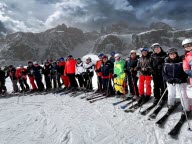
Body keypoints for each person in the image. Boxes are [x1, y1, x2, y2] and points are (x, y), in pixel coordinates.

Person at [162, 48, 190, 114]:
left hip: (181, 81)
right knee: (171, 94)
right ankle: (171, 105)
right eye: (171, 54)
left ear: (176, 54)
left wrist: (180, 79)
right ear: (168, 55)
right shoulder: (166, 62)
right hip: (171, 81)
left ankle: (186, 109)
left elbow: (185, 71)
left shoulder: (181, 61)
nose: (172, 55)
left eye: (174, 53)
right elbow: (163, 73)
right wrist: (168, 79)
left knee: (183, 95)